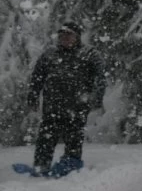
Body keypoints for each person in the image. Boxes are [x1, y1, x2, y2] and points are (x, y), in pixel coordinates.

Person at [26, 22, 104, 176]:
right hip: (52, 107)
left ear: (77, 37)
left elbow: (100, 79)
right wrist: (33, 96)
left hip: (77, 107)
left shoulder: (90, 54)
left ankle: (70, 167)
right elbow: (37, 77)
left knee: (74, 138)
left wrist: (96, 98)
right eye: (62, 35)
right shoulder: (49, 54)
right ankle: (41, 167)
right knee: (46, 139)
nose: (65, 38)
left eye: (69, 35)